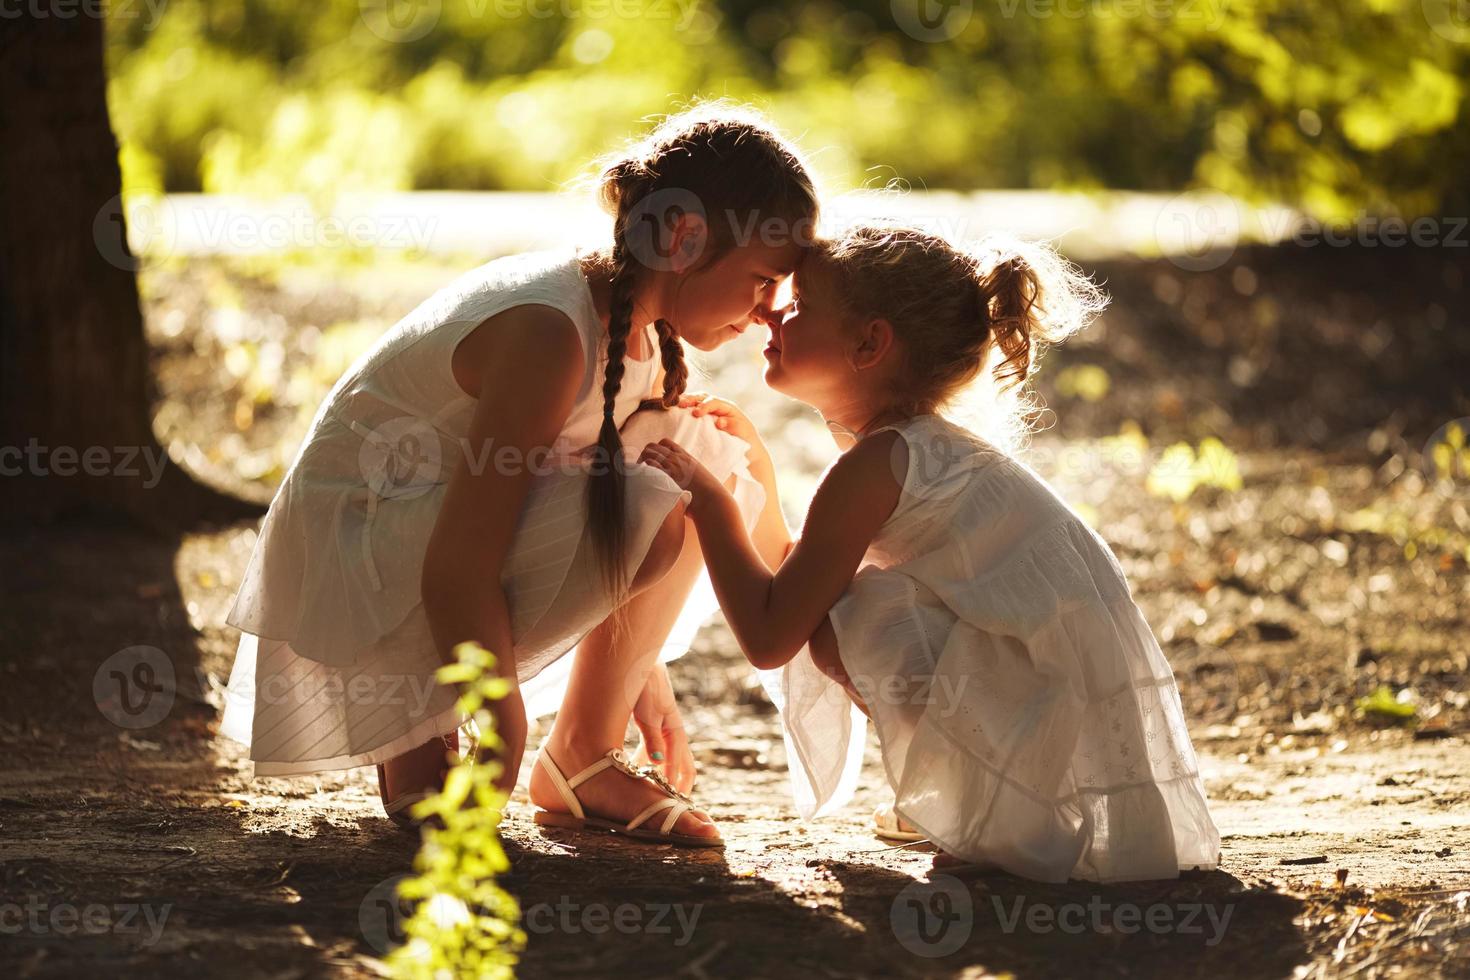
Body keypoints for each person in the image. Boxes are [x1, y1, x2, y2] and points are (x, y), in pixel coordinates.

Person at [219, 102, 817, 846]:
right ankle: (418, 722)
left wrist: (634, 671)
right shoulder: (550, 332)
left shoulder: (647, 336)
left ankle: (581, 754)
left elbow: (595, 516)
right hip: (361, 546)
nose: (768, 314)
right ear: (684, 238)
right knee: (668, 486)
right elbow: (460, 561)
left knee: (698, 453)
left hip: (438, 531)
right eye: (762, 281)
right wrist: (499, 717)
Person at [639, 224, 1222, 881]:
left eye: (798, 305)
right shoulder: (906, 449)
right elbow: (793, 583)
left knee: (850, 612)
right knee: (837, 601)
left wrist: (712, 505)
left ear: (870, 343)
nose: (771, 311)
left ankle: (984, 801)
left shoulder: (881, 462)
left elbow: (775, 631)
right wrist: (755, 473)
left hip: (1043, 699)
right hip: (1045, 691)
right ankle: (981, 795)